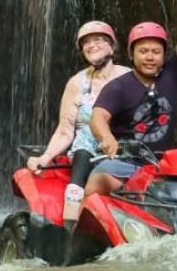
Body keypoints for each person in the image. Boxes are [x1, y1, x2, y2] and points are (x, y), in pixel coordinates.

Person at [86, 0, 177, 196]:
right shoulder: (119, 86)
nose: (150, 57)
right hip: (126, 162)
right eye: (143, 51)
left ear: (164, 55)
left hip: (166, 165)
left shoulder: (172, 73)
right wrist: (107, 139)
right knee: (98, 181)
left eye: (156, 51)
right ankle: (80, 230)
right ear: (132, 54)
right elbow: (98, 117)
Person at [27, 20, 130, 229]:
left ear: (112, 46)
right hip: (87, 149)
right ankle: (70, 235)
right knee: (75, 186)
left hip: (125, 148)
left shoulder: (130, 77)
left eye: (99, 40)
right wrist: (45, 157)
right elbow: (65, 130)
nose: (92, 45)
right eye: (86, 42)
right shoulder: (77, 83)